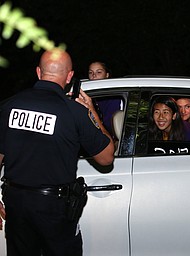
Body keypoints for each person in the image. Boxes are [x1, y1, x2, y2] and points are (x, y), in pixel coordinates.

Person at [0, 49, 114, 256]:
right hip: (54, 207)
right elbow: (106, 158)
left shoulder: (9, 106)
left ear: (38, 72)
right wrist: (92, 113)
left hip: (16, 204)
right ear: (70, 76)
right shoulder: (75, 112)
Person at [88, 61, 123, 136]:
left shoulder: (113, 97)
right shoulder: (88, 95)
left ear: (107, 75)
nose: (94, 75)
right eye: (91, 72)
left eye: (99, 72)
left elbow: (110, 126)